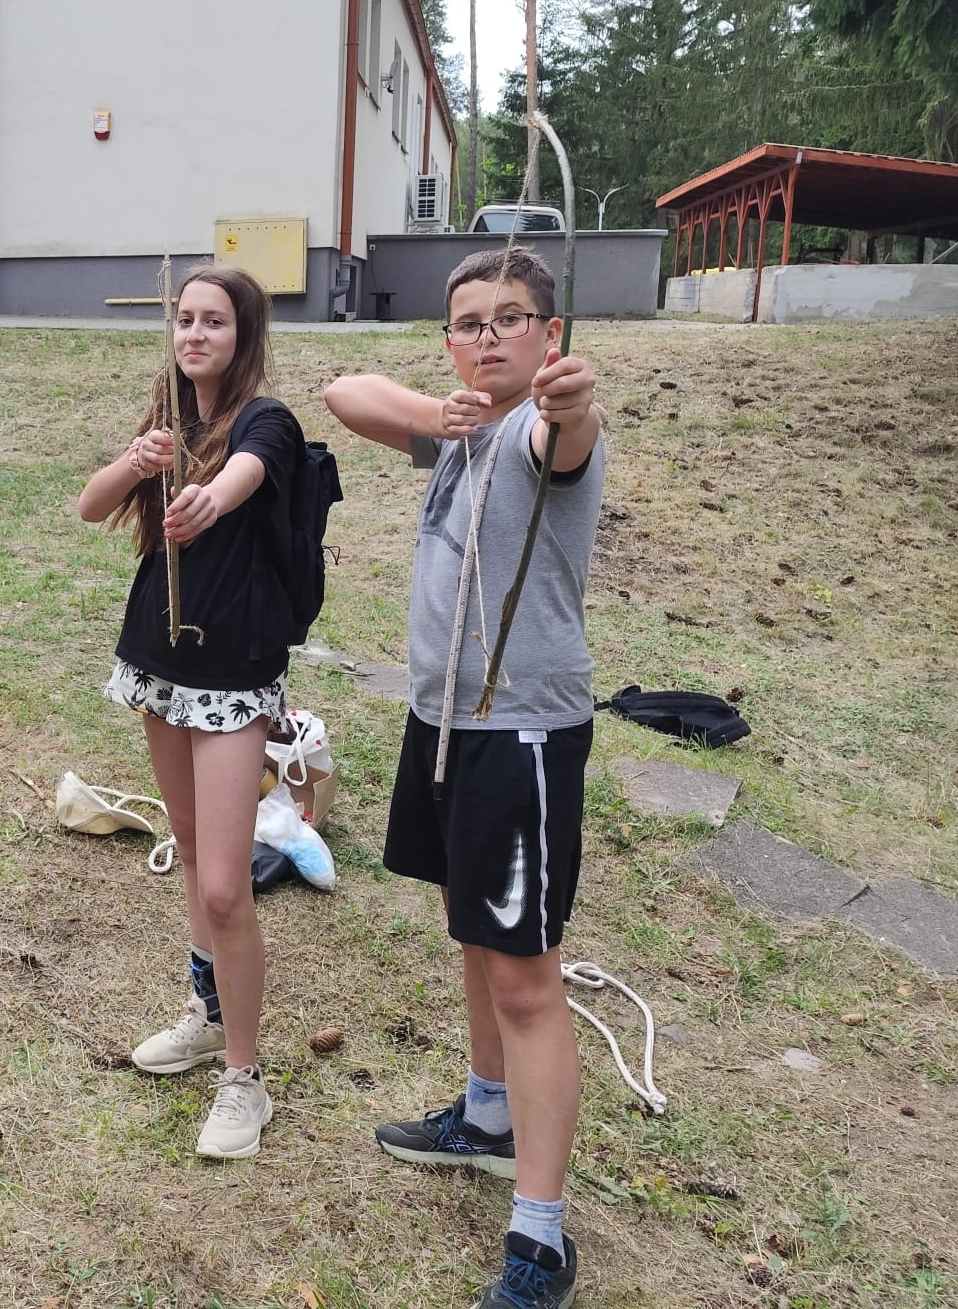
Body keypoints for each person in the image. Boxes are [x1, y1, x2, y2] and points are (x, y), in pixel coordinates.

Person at [324, 245, 603, 1308]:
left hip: (519, 735)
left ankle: (542, 1238)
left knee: (526, 976)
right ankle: (487, 1115)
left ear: (550, 334)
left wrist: (568, 401)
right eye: (468, 322)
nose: (488, 337)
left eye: (511, 318)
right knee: (476, 936)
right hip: (444, 721)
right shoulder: (462, 430)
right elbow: (345, 390)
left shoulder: (537, 434)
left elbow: (569, 431)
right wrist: (441, 413)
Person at [77, 265, 303, 1160]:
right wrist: (136, 463)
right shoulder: (169, 423)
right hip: (159, 662)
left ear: (243, 336)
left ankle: (245, 1079)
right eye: (185, 319)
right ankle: (209, 1017)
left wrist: (207, 497)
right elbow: (90, 507)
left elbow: (247, 474)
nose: (195, 334)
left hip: (233, 673)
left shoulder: (264, 420)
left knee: (223, 883)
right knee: (191, 849)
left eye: (214, 321)